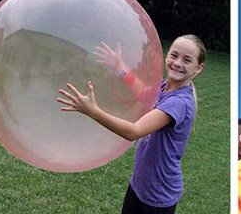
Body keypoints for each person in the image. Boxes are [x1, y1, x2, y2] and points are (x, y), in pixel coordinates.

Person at [57, 34, 207, 213]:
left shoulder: (179, 102)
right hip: (139, 184)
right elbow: (144, 93)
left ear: (198, 68)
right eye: (174, 55)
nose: (177, 63)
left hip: (160, 194)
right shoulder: (163, 87)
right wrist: (120, 67)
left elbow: (134, 131)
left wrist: (92, 111)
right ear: (167, 56)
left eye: (187, 60)